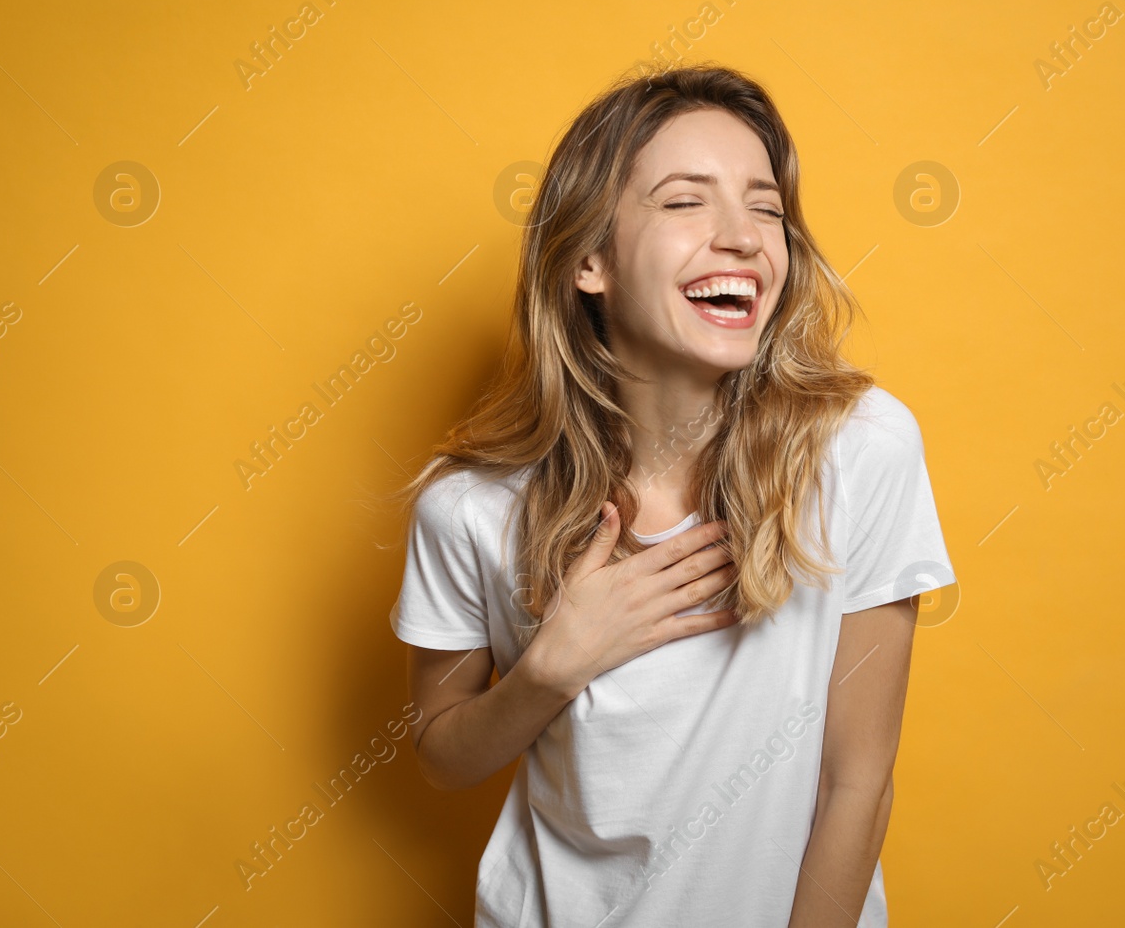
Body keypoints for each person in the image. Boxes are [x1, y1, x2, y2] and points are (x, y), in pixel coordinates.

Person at [388, 62, 956, 927]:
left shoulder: (860, 451)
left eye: (766, 207)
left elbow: (858, 779)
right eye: (686, 200)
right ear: (589, 259)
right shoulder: (470, 508)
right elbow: (441, 753)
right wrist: (552, 666)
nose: (742, 236)